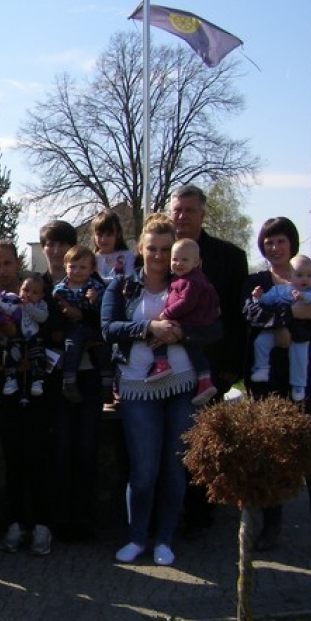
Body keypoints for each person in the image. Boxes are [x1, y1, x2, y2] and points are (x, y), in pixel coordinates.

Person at [102, 214, 216, 566]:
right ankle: (137, 537)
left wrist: (183, 333)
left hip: (181, 384)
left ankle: (165, 539)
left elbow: (215, 328)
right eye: (152, 248)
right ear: (141, 248)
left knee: (174, 468)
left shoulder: (190, 283)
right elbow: (108, 328)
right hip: (137, 386)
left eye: (166, 249)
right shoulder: (122, 284)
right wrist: (148, 327)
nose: (159, 256)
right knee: (143, 471)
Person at [169, 184, 249, 537]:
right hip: (166, 367)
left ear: (202, 213)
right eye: (177, 210)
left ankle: (199, 514)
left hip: (210, 368)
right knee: (171, 443)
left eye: (189, 210)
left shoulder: (229, 257)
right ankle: (169, 511)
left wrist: (231, 368)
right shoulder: (160, 252)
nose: (182, 216)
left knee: (202, 442)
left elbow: (236, 319)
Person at [242, 217, 311, 552]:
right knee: (271, 452)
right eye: (268, 242)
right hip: (268, 380)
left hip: (309, 379)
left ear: (292, 243)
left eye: (281, 241)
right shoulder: (257, 281)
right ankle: (271, 526)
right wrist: (288, 319)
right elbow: (251, 314)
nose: (274, 247)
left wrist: (286, 322)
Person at [0, 239, 54, 556]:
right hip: (4, 389)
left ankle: (42, 524)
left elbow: (49, 333)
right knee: (13, 457)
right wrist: (5, 361)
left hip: (37, 388)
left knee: (39, 455)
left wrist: (31, 360)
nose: (2, 270)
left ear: (17, 262)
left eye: (7, 263)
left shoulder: (35, 294)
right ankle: (16, 522)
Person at [40, 220, 101, 546]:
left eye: (62, 243)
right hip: (54, 375)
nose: (55, 249)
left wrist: (81, 320)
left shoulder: (92, 280)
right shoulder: (39, 284)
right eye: (49, 244)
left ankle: (85, 518)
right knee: (60, 447)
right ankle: (60, 518)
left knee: (86, 446)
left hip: (88, 374)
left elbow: (105, 319)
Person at [150, 238, 221, 406]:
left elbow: (186, 302)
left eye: (184, 260)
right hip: (191, 321)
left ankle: (161, 363)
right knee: (195, 352)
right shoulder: (185, 278)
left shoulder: (192, 281)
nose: (179, 263)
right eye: (175, 259)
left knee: (161, 332)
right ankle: (204, 381)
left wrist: (166, 314)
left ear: (196, 262)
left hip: (192, 321)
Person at [250, 254, 311, 402]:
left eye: (309, 275)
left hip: (302, 334)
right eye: (299, 275)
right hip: (278, 329)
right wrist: (258, 297)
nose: (305, 279)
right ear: (290, 276)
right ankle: (262, 368)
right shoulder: (280, 290)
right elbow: (266, 301)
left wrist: (304, 297)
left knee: (300, 359)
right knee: (261, 341)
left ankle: (298, 386)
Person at [52, 245, 111, 403]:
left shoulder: (96, 287)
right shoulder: (59, 290)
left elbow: (105, 311)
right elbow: (54, 313)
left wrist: (95, 300)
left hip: (92, 328)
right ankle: (69, 381)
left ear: (91, 270)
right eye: (73, 267)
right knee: (72, 346)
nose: (77, 271)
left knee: (104, 348)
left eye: (83, 267)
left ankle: (107, 383)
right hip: (72, 329)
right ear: (65, 267)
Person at [0, 274, 48, 399]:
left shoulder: (41, 305)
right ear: (19, 289)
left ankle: (37, 380)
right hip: (17, 337)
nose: (28, 294)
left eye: (35, 292)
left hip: (33, 338)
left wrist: (28, 306)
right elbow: (2, 308)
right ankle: (11, 379)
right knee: (9, 353)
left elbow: (42, 317)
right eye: (25, 290)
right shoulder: (14, 301)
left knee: (39, 355)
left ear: (41, 296)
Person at [92, 209, 137, 280]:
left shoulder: (128, 255)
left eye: (108, 235)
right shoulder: (91, 259)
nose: (103, 239)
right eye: (99, 235)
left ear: (118, 234)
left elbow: (129, 277)